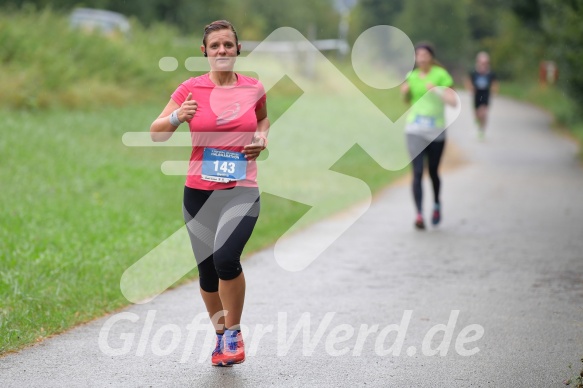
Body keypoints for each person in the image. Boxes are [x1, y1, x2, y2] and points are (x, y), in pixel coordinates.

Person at [150, 20, 269, 366]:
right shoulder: (189, 89)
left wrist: (262, 139)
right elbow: (156, 132)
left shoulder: (253, 88)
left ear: (238, 50)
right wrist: (176, 117)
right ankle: (220, 338)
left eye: (227, 45)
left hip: (241, 189)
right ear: (204, 51)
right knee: (206, 274)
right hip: (198, 191)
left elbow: (263, 121)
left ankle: (234, 334)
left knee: (225, 259)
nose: (221, 51)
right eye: (214, 46)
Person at [400, 42, 458, 230]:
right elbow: (407, 101)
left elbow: (453, 102)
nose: (421, 58)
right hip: (415, 128)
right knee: (417, 172)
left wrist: (437, 90)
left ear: (431, 57)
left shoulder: (441, 75)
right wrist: (405, 93)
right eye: (418, 55)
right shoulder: (412, 76)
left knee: (433, 171)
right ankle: (418, 214)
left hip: (436, 130)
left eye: (424, 54)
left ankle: (436, 204)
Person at [465, 51, 499, 140]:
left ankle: (482, 129)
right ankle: (478, 121)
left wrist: (494, 91)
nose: (483, 64)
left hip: (485, 94)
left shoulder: (490, 73)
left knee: (483, 112)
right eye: (481, 62)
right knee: (477, 113)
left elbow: (494, 83)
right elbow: (468, 81)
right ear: (478, 62)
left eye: (485, 62)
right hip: (477, 94)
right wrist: (470, 88)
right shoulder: (474, 72)